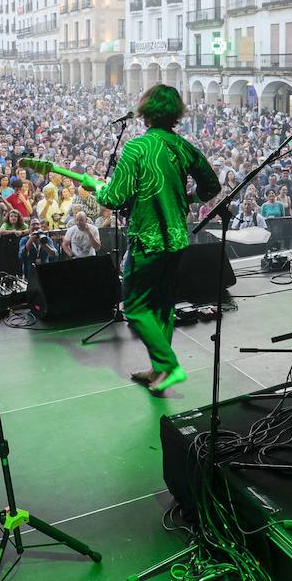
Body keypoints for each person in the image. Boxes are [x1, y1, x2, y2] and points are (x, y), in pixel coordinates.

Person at [91, 84, 219, 394]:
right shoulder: (182, 146)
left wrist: (98, 189)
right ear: (176, 114)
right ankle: (158, 371)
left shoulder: (136, 147)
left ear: (145, 111)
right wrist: (185, 198)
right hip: (177, 239)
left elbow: (115, 197)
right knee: (162, 306)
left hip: (148, 241)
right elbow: (211, 187)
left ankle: (169, 366)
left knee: (134, 306)